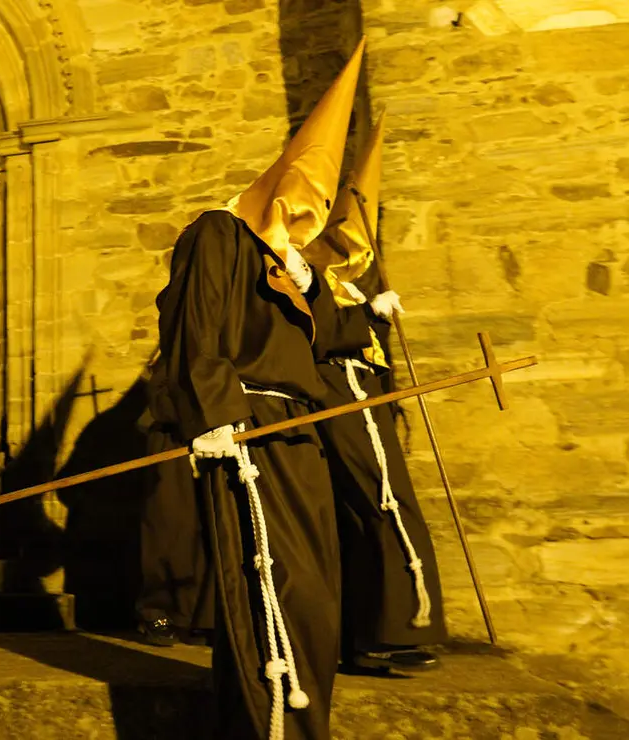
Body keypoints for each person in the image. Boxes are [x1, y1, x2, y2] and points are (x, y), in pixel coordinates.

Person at [151, 40, 371, 740]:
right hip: (249, 432)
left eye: (321, 206)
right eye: (304, 198)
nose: (310, 216)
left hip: (302, 435)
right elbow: (197, 326)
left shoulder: (294, 272)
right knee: (275, 585)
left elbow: (335, 343)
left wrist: (320, 292)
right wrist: (215, 416)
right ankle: (273, 729)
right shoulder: (220, 234)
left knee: (316, 595)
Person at [303, 113, 448, 673]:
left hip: (362, 397)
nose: (350, 248)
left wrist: (373, 320)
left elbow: (361, 345)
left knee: (385, 505)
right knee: (379, 504)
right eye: (341, 237)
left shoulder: (340, 284)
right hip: (340, 398)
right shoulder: (308, 280)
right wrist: (367, 316)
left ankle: (390, 628)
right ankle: (384, 631)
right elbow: (312, 337)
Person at [136, 355, 214, 646]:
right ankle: (157, 611)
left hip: (215, 448)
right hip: (173, 448)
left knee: (209, 532)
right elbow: (161, 402)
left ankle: (198, 617)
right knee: (169, 530)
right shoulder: (170, 357)